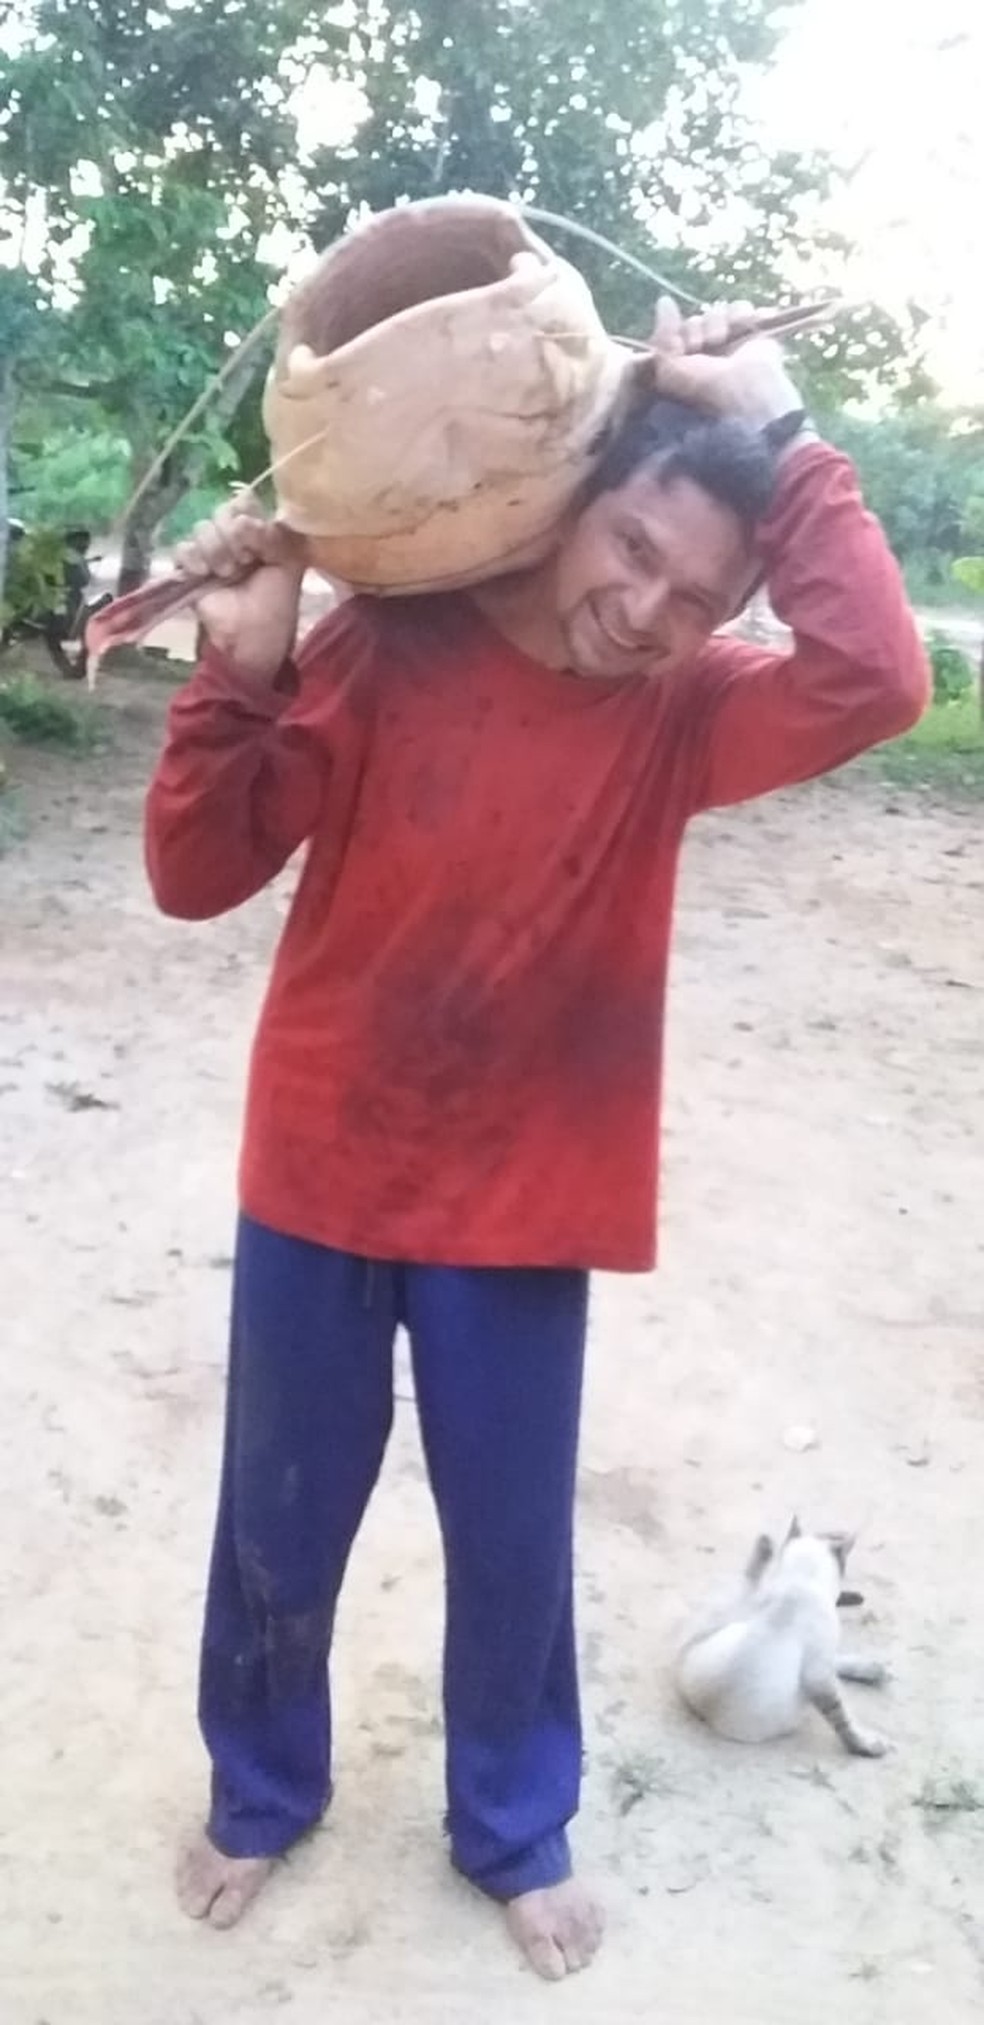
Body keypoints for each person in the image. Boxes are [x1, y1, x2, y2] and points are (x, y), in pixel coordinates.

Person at [144, 300, 928, 1981]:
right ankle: (262, 1785)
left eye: (697, 595)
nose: (645, 608)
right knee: (279, 1512)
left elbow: (880, 674)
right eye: (631, 544)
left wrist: (781, 437)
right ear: (573, 494)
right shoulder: (384, 641)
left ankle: (513, 1819)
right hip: (322, 1168)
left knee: (513, 1534)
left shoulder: (689, 710)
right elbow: (197, 874)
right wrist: (245, 669)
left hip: (522, 1201)